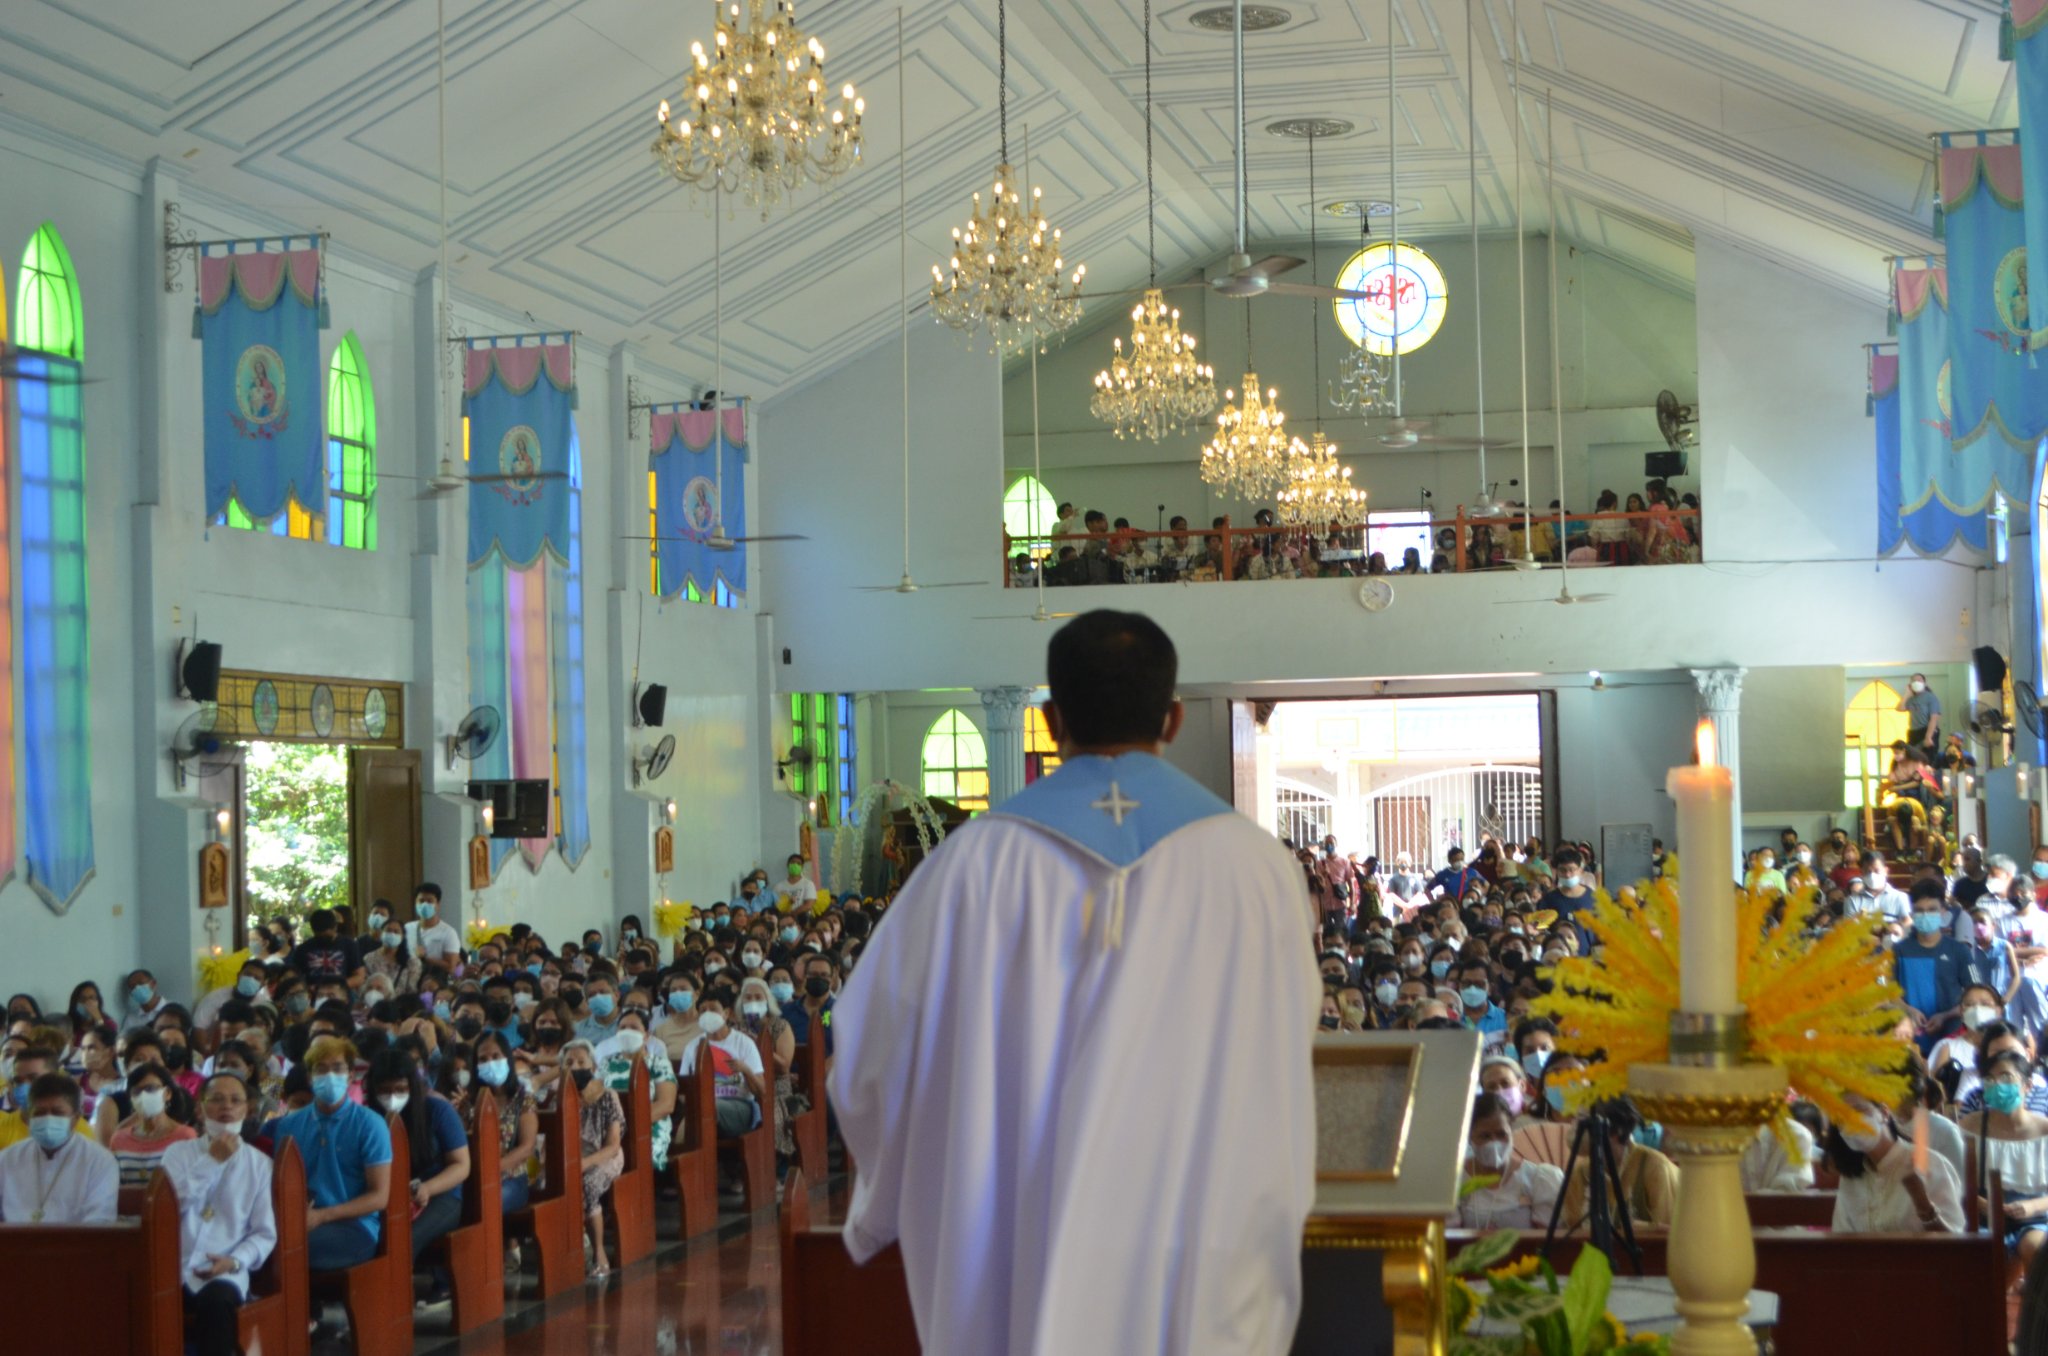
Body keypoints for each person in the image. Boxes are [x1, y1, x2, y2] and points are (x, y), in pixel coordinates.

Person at [830, 611, 1319, 1356]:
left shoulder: (973, 865)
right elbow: (1283, 1050)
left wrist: (891, 1184)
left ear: (1050, 719)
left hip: (1022, 1253)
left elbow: (871, 1054)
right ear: (1175, 717)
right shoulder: (1258, 868)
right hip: (1206, 1246)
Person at [160, 1073, 278, 1356]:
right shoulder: (177, 1154)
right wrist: (211, 1161)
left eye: (235, 1100)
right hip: (172, 1269)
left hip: (225, 1273)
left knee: (217, 1301)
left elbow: (263, 1233)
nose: (226, 1107)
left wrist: (235, 1261)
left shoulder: (260, 1164)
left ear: (247, 1110)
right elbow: (167, 1207)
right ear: (200, 1109)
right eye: (216, 1099)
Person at [271, 1036, 394, 1272]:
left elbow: (379, 1196)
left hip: (355, 1225)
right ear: (309, 1077)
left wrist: (322, 1216)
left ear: (350, 1076)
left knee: (292, 1252)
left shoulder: (369, 1124)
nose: (329, 1075)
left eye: (337, 1068)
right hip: (302, 1220)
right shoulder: (289, 1126)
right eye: (321, 1069)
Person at [365, 1048, 469, 1268]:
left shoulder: (437, 1110)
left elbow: (461, 1165)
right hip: (388, 1196)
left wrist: (427, 1188)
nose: (392, 1097)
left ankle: (397, 1294)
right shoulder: (369, 1118)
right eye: (384, 1091)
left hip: (441, 1195)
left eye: (400, 1089)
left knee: (404, 1239)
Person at [1829, 1093, 1962, 1232]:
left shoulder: (1931, 1163)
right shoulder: (1851, 1175)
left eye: (1859, 1110)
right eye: (1841, 1117)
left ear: (1884, 1113)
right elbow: (1841, 1235)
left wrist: (1923, 1205)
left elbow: (1953, 1242)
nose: (1851, 1121)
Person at [1963, 1049, 2048, 1263]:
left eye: (2006, 1077)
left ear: (2027, 1086)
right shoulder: (1970, 1125)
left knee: (2036, 1250)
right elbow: (1952, 1179)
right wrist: (1981, 1203)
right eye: (1990, 1079)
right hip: (1983, 1214)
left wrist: (2032, 1207)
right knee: (1987, 1257)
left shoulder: (2044, 1130)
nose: (1997, 1084)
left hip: (2033, 1215)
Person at [0, 1071, 118, 1222]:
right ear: (29, 1117)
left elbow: (99, 1220)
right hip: (13, 1243)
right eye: (39, 1113)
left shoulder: (100, 1161)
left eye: (57, 1113)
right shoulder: (7, 1158)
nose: (48, 1118)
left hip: (76, 1243)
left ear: (75, 1118)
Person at [1556, 1099, 1679, 1232]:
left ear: (1617, 1130)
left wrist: (1636, 1228)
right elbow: (1571, 1232)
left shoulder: (1655, 1167)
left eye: (1584, 1120)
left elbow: (1670, 1235)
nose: (1575, 1126)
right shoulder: (1579, 1173)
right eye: (1576, 1119)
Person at [560, 1040, 625, 1278]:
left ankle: (598, 1251)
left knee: (586, 1183)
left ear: (594, 1066)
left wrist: (585, 1163)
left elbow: (613, 1145)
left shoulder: (608, 1096)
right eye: (569, 1063)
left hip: (605, 1156)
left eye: (581, 1062)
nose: (575, 1067)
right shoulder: (559, 1098)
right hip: (570, 1158)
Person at [1455, 1091, 1564, 1229]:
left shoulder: (1538, 1179)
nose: (1494, 1142)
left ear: (1511, 1130)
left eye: (1501, 1134)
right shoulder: (1455, 1182)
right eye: (1485, 1136)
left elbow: (1546, 1241)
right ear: (1470, 1137)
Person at [735, 975, 805, 1165]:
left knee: (772, 1117)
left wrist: (757, 1044)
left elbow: (783, 1067)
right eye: (748, 998)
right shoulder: (735, 1028)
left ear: (768, 1000)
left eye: (758, 997)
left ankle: (779, 1168)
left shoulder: (780, 1026)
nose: (753, 1002)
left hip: (776, 1089)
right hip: (743, 1088)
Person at [597, 1007, 677, 1172]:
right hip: (608, 1126)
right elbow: (595, 1095)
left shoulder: (658, 1063)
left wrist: (629, 1123)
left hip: (649, 1124)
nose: (627, 1032)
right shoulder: (606, 1063)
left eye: (634, 1028)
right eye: (623, 1028)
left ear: (647, 1035)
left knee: (639, 1153)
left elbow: (666, 1104)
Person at [1894, 886, 1974, 1052]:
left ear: (1943, 913)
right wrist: (1907, 1011)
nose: (1925, 915)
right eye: (1919, 910)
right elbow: (1885, 993)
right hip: (1909, 1038)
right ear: (1911, 914)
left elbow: (1979, 993)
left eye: (1932, 910)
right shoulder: (1898, 951)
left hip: (1952, 1036)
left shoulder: (1960, 951)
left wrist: (1946, 1016)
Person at [470, 1031, 537, 1213]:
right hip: (474, 1178)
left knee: (488, 1203)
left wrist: (493, 1169)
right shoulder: (470, 1100)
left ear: (507, 1058)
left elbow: (527, 1147)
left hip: (512, 1177)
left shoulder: (523, 1099)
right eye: (483, 1059)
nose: (490, 1063)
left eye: (495, 1056)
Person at [109, 1060, 198, 1186]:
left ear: (167, 1093)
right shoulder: (119, 1139)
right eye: (137, 1091)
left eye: (150, 1089)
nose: (144, 1095)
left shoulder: (186, 1137)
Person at [289, 910, 364, 994]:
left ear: (335, 927)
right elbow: (293, 977)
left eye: (328, 936)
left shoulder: (349, 945)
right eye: (320, 936)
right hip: (313, 995)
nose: (324, 939)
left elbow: (359, 976)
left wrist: (336, 987)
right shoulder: (303, 949)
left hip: (342, 995)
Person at [408, 884, 463, 967]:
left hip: (434, 978)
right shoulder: (407, 928)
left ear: (438, 904)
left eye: (430, 901)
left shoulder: (448, 933)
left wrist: (425, 958)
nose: (425, 905)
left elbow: (451, 967)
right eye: (421, 901)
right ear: (415, 903)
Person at [1900, 672, 1943, 755]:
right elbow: (1900, 708)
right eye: (1914, 681)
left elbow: (1934, 718)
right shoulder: (1911, 698)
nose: (1916, 682)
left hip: (1927, 730)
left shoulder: (1930, 697)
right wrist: (1907, 694)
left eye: (1919, 680)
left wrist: (1928, 737)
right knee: (1912, 757)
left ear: (1924, 683)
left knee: (1928, 759)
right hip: (1913, 732)